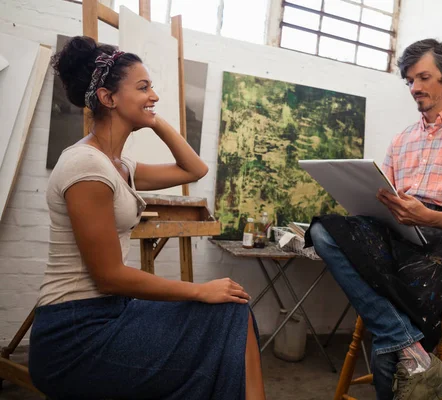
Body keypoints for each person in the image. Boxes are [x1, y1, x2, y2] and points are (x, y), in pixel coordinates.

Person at [29, 36, 266, 400]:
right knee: (227, 316)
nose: (153, 96)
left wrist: (156, 123)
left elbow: (194, 169)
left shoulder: (119, 165)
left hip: (109, 313)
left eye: (151, 87)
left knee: (234, 311)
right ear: (109, 98)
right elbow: (108, 277)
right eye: (143, 88)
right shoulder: (86, 165)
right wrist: (200, 290)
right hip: (75, 332)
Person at [307, 39, 442, 400]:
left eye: (423, 77)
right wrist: (372, 201)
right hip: (396, 231)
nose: (414, 88)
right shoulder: (402, 141)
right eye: (409, 81)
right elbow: (385, 196)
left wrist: (430, 216)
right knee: (322, 229)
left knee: (395, 317)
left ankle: (399, 339)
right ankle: (407, 344)